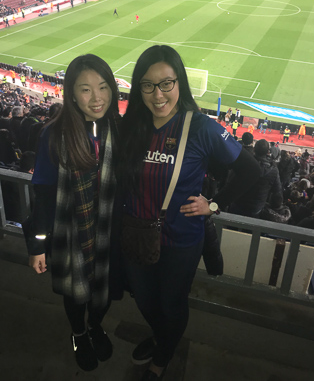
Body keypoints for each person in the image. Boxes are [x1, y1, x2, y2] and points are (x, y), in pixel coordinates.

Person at [118, 45, 260, 380]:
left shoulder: (200, 127)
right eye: (148, 85)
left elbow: (251, 170)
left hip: (181, 238)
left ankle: (162, 356)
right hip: (136, 232)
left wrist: (212, 204)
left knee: (171, 304)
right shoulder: (132, 125)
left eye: (166, 83)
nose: (158, 94)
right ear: (139, 88)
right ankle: (161, 336)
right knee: (144, 301)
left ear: (180, 83)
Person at [23, 54, 120, 372]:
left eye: (103, 87)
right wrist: (38, 244)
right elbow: (44, 193)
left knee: (102, 295)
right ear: (71, 93)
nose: (97, 98)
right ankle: (79, 333)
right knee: (76, 294)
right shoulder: (53, 135)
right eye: (86, 89)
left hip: (107, 230)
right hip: (71, 232)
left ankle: (95, 325)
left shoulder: (115, 129)